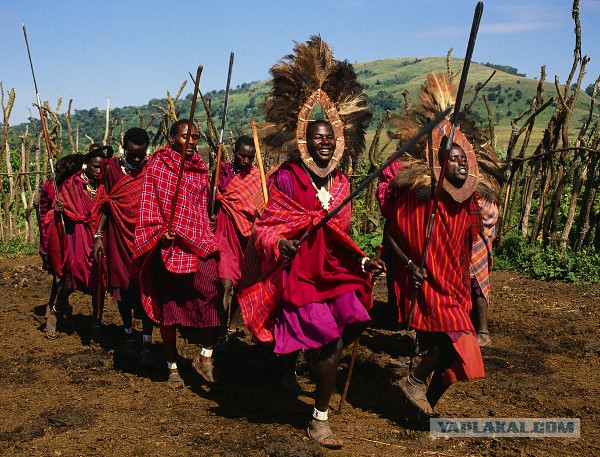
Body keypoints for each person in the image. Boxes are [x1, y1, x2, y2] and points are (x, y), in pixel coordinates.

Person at [238, 37, 380, 449]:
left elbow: (343, 239)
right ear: (304, 140)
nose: (324, 142)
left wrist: (365, 260)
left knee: (334, 339)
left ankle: (318, 415)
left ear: (338, 140)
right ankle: (317, 412)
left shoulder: (342, 185)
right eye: (316, 136)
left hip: (333, 274)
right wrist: (280, 244)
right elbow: (266, 227)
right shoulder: (286, 178)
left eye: (329, 137)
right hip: (298, 276)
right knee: (324, 340)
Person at [382, 73, 487, 418]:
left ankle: (425, 409)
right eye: (452, 160)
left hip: (454, 287)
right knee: (460, 339)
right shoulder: (420, 201)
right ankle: (413, 380)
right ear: (440, 163)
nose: (460, 164)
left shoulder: (467, 203)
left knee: (461, 355)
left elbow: (466, 247)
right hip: (430, 285)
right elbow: (392, 235)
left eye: (463, 159)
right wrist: (410, 265)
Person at [132, 119, 222, 389]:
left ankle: (206, 355)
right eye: (186, 137)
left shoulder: (199, 169)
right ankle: (172, 367)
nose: (192, 141)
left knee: (212, 292)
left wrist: (207, 221)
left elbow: (199, 208)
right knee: (170, 306)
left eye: (195, 137)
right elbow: (148, 205)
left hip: (199, 240)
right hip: (169, 244)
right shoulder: (157, 167)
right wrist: (161, 234)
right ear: (173, 138)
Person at [93, 128, 155, 364]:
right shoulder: (111, 169)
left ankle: (147, 342)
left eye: (141, 155)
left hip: (145, 238)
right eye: (132, 155)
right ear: (124, 148)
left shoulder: (151, 170)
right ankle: (129, 335)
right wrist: (98, 234)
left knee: (147, 289)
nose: (137, 160)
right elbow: (106, 203)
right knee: (122, 289)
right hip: (119, 237)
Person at [46, 147, 106, 340]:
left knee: (99, 282)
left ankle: (96, 326)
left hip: (98, 238)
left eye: (101, 167)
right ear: (86, 165)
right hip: (76, 235)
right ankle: (55, 312)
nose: (99, 170)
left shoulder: (105, 185)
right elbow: (62, 203)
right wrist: (58, 208)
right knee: (70, 281)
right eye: (95, 167)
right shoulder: (72, 184)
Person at [213, 135, 262, 333]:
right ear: (235, 153)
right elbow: (211, 199)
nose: (247, 161)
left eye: (251, 157)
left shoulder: (257, 177)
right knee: (225, 283)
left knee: (242, 286)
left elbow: (260, 207)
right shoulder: (221, 172)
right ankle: (220, 330)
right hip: (225, 233)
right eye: (243, 156)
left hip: (247, 237)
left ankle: (232, 328)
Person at [470, 197, 499, 347]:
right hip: (467, 241)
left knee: (477, 285)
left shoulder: (482, 193)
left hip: (476, 242)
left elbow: (491, 215)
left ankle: (483, 332)